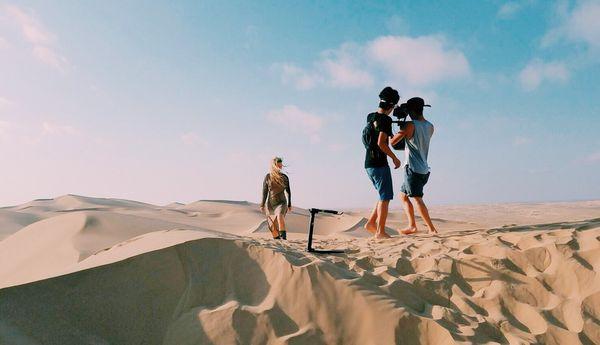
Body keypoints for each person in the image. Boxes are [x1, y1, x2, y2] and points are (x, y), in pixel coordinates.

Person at [390, 97, 437, 234]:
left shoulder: (410, 125)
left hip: (412, 169)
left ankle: (431, 229)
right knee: (403, 196)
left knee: (417, 199)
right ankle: (412, 226)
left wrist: (393, 130)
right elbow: (414, 142)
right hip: (423, 168)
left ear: (410, 111)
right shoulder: (430, 126)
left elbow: (393, 143)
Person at [363, 87, 402, 239]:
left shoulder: (370, 116)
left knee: (382, 195)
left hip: (368, 163)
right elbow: (382, 143)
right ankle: (380, 231)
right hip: (379, 163)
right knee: (386, 198)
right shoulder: (386, 120)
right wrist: (394, 157)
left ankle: (371, 224)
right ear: (392, 105)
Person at [260, 157, 292, 240]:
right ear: (273, 165)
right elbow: (265, 191)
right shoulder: (268, 177)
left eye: (280, 165)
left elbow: (288, 191)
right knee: (271, 226)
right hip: (270, 204)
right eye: (278, 165)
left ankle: (283, 240)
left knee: (279, 217)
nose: (280, 167)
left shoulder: (284, 177)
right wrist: (262, 204)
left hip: (281, 202)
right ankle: (277, 240)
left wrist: (289, 204)